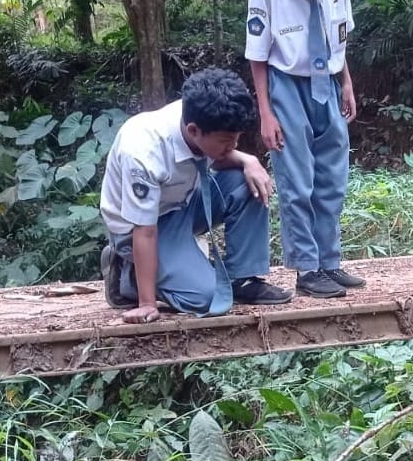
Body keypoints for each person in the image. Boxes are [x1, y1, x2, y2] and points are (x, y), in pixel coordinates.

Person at [99, 68, 293, 324]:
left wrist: (248, 160)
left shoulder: (201, 112)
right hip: (142, 227)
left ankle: (242, 278)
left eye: (237, 139)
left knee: (248, 182)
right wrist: (146, 304)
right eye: (227, 140)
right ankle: (129, 277)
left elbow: (217, 155)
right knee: (209, 297)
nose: (233, 146)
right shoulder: (143, 152)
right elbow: (144, 230)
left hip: (184, 202)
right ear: (193, 130)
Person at [245, 0, 364, 299]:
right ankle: (307, 269)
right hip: (286, 86)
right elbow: (258, 58)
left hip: (327, 82)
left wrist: (345, 82)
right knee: (297, 182)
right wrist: (266, 113)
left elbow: (339, 35)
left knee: (332, 177)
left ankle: (330, 261)